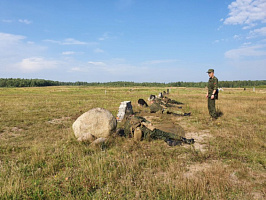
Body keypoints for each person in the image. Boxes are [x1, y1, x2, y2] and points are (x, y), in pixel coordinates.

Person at [118, 115, 194, 146]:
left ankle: (167, 140)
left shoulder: (126, 128)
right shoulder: (136, 117)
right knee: (165, 133)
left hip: (143, 136)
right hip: (147, 130)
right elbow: (146, 121)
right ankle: (184, 139)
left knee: (157, 137)